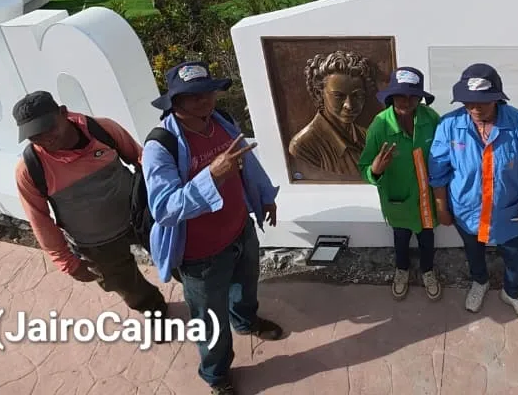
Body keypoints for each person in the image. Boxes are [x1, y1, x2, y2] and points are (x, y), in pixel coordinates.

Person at [142, 61, 284, 395]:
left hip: (239, 229)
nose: (204, 101)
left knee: (246, 287)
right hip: (200, 255)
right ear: (175, 102)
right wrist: (212, 175)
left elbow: (246, 162)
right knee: (210, 321)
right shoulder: (160, 146)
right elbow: (164, 209)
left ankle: (247, 322)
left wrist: (265, 197)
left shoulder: (222, 122)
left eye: (208, 92)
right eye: (193, 96)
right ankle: (217, 375)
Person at [12, 91, 167, 317]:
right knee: (125, 284)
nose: (45, 139)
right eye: (34, 136)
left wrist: (165, 202)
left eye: (49, 128)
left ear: (63, 113)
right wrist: (67, 262)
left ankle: (202, 296)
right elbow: (39, 219)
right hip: (95, 244)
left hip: (140, 219)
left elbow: (141, 159)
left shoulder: (102, 130)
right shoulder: (30, 169)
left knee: (178, 258)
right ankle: (154, 310)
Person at [430, 64, 518, 321]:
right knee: (473, 251)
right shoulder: (449, 125)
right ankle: (479, 282)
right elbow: (438, 170)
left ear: (497, 98)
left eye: (482, 102)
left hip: (508, 210)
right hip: (466, 209)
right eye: (468, 102)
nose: (475, 108)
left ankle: (512, 293)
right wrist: (442, 208)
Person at [358, 66, 444, 301]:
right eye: (400, 95)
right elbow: (364, 167)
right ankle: (402, 270)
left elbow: (445, 152)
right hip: (399, 200)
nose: (406, 101)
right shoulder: (380, 126)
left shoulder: (431, 118)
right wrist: (374, 171)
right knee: (401, 238)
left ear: (419, 98)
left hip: (427, 199)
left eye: (412, 96)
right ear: (391, 96)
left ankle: (428, 271)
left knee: (427, 238)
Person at [287, 50, 376, 182]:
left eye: (357, 95)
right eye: (338, 96)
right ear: (319, 94)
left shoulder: (367, 135)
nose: (349, 105)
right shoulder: (302, 146)